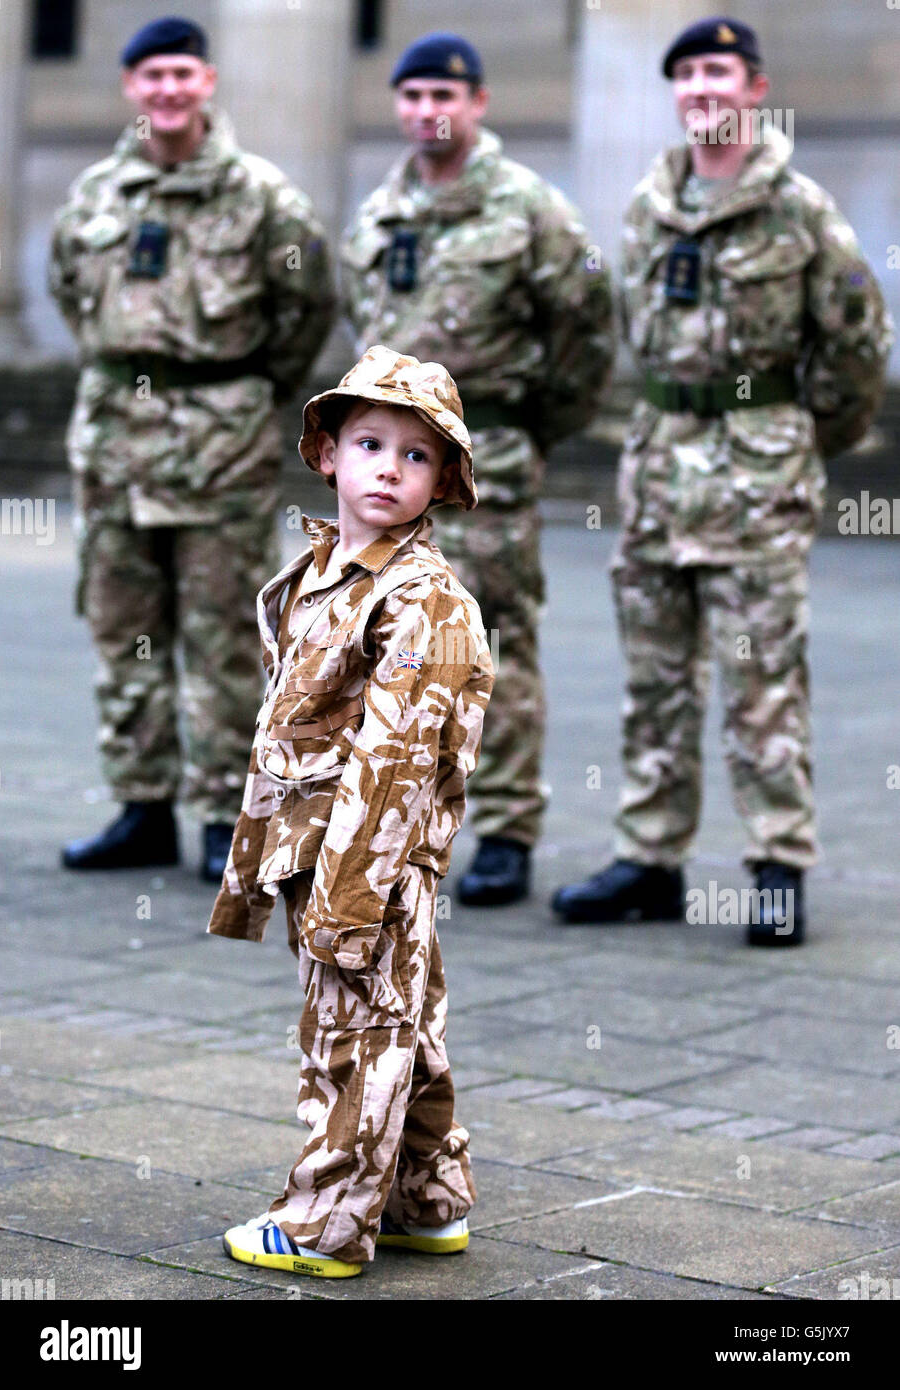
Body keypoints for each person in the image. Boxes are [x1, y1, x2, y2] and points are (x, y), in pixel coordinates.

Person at [553, 18, 892, 945]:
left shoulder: (800, 209)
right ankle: (649, 859)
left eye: (720, 72)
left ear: (754, 87)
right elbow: (631, 322)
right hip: (659, 468)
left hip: (756, 477)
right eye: (689, 74)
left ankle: (778, 867)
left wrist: (796, 436)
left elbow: (858, 340)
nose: (703, 87)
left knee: (762, 679)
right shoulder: (646, 206)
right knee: (654, 676)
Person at [208, 345, 494, 1278]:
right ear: (327, 451)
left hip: (363, 859)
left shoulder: (423, 599)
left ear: (443, 481)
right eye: (370, 442)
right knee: (400, 1027)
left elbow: (398, 762)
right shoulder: (329, 570)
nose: (389, 467)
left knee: (354, 1037)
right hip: (317, 848)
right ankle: (426, 1200)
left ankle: (327, 1224)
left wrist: (351, 896)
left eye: (417, 456)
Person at [48, 16, 335, 881]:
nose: (167, 91)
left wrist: (241, 393)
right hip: (113, 452)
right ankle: (140, 806)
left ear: (207, 82)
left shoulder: (263, 197)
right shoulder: (97, 194)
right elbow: (73, 292)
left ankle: (224, 813)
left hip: (220, 453)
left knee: (221, 641)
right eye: (151, 77)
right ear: (132, 89)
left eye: (183, 75)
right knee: (122, 631)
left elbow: (307, 309)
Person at [341, 32, 614, 907]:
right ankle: (396, 826)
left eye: (446, 96)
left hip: (485, 459)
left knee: (494, 645)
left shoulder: (530, 209)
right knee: (387, 643)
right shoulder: (378, 214)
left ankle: (507, 831)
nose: (430, 111)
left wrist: (526, 427)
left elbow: (585, 329)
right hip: (388, 465)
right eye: (414, 96)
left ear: (479, 103)